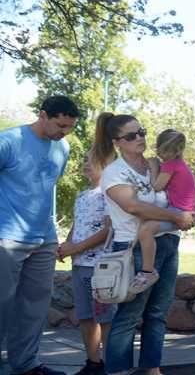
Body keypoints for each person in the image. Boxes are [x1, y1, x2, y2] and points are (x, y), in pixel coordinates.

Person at [95, 112, 195, 375]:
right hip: (133, 247)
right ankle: (117, 370)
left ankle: (152, 368)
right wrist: (177, 216)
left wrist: (185, 214)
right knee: (129, 315)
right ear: (117, 141)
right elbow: (133, 206)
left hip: (166, 243)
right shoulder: (114, 172)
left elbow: (177, 194)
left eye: (141, 132)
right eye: (131, 136)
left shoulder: (156, 164)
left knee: (158, 313)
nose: (139, 138)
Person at [0, 95, 80, 375]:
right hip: (7, 237)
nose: (64, 132)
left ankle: (26, 364)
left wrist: (53, 235)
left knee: (35, 306)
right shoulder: (9, 142)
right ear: (43, 115)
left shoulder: (63, 148)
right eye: (60, 125)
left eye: (69, 127)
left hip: (44, 238)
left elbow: (48, 190)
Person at [56, 148, 116, 375]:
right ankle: (93, 363)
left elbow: (108, 229)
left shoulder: (109, 193)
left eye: (92, 160)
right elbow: (77, 225)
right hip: (79, 265)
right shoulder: (82, 195)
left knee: (105, 317)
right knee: (85, 316)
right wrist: (66, 245)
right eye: (84, 159)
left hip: (101, 268)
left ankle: (112, 365)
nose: (86, 163)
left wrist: (76, 248)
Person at [132, 129, 195, 295]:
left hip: (179, 211)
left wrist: (154, 167)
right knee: (146, 225)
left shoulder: (170, 165)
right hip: (181, 210)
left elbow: (156, 186)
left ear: (160, 147)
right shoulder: (180, 165)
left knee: (146, 229)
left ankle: (147, 272)